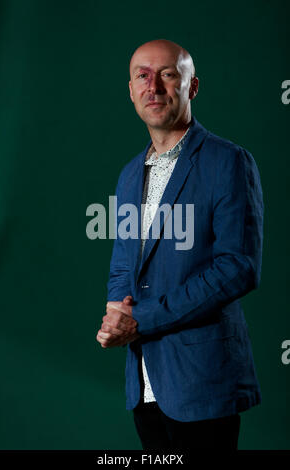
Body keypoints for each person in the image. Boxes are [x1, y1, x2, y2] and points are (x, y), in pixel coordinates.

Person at [96, 38, 264, 451]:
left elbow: (238, 267)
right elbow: (124, 263)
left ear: (191, 87)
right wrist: (116, 313)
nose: (153, 86)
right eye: (143, 76)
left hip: (203, 380)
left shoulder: (229, 162)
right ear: (132, 90)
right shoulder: (130, 174)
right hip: (144, 381)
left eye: (168, 74)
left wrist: (142, 319)